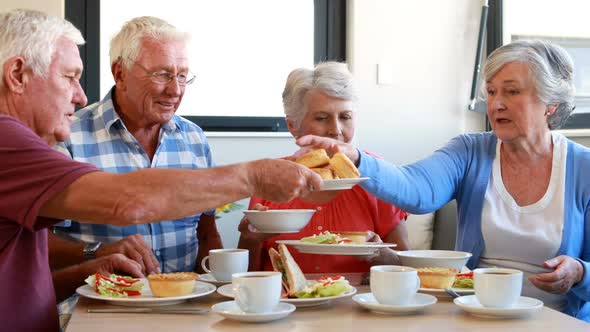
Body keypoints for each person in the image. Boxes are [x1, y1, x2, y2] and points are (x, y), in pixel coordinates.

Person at [0, 9, 321, 331]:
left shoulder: (193, 137)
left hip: (187, 310)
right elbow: (127, 202)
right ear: (17, 74)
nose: (80, 95)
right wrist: (254, 176)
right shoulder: (17, 141)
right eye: (69, 77)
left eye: (182, 76)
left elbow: (28, 273)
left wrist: (99, 267)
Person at [294, 41, 589, 321]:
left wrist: (579, 272)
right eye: (491, 91)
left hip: (558, 318)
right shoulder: (469, 152)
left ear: (550, 104)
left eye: (511, 92)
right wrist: (356, 158)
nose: (497, 104)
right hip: (478, 314)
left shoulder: (582, 168)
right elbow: (416, 188)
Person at [51, 16, 221, 276]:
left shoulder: (194, 139)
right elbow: (38, 244)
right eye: (162, 75)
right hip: (100, 308)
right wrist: (97, 252)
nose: (175, 90)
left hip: (183, 306)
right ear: (120, 73)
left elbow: (206, 233)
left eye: (183, 76)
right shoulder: (69, 137)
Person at [238, 62, 409, 273]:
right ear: (292, 125)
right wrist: (250, 239)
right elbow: (247, 276)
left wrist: (378, 254)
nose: (335, 130)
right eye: (321, 118)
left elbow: (405, 269)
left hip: (358, 303)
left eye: (345, 117)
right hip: (285, 304)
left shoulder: (376, 176)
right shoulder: (271, 177)